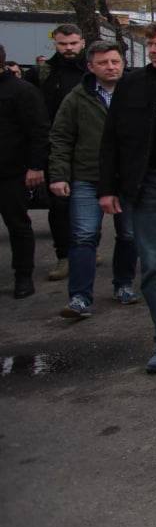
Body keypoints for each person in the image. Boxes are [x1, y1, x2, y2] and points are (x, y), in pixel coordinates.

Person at [98, 19, 156, 372]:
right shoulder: (132, 84)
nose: (152, 50)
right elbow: (111, 138)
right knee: (152, 267)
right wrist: (107, 187)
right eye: (150, 44)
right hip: (147, 184)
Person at [48, 41, 138, 317]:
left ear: (123, 63)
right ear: (91, 66)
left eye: (115, 61)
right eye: (103, 63)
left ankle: (123, 284)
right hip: (87, 176)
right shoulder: (77, 97)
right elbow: (61, 137)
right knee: (83, 236)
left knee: (129, 234)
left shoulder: (136, 91)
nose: (110, 67)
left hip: (127, 178)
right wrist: (59, 175)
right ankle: (80, 297)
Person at [25, 23, 87, 281]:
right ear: (55, 44)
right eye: (63, 44)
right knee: (59, 205)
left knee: (88, 202)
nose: (68, 48)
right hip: (55, 147)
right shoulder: (42, 74)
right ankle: (65, 255)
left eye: (73, 43)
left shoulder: (92, 70)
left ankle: (87, 248)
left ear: (82, 42)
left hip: (89, 147)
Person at [0, 44, 48, 299]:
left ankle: (23, 276)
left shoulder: (22, 91)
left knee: (18, 225)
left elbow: (38, 130)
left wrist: (35, 166)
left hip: (12, 171)